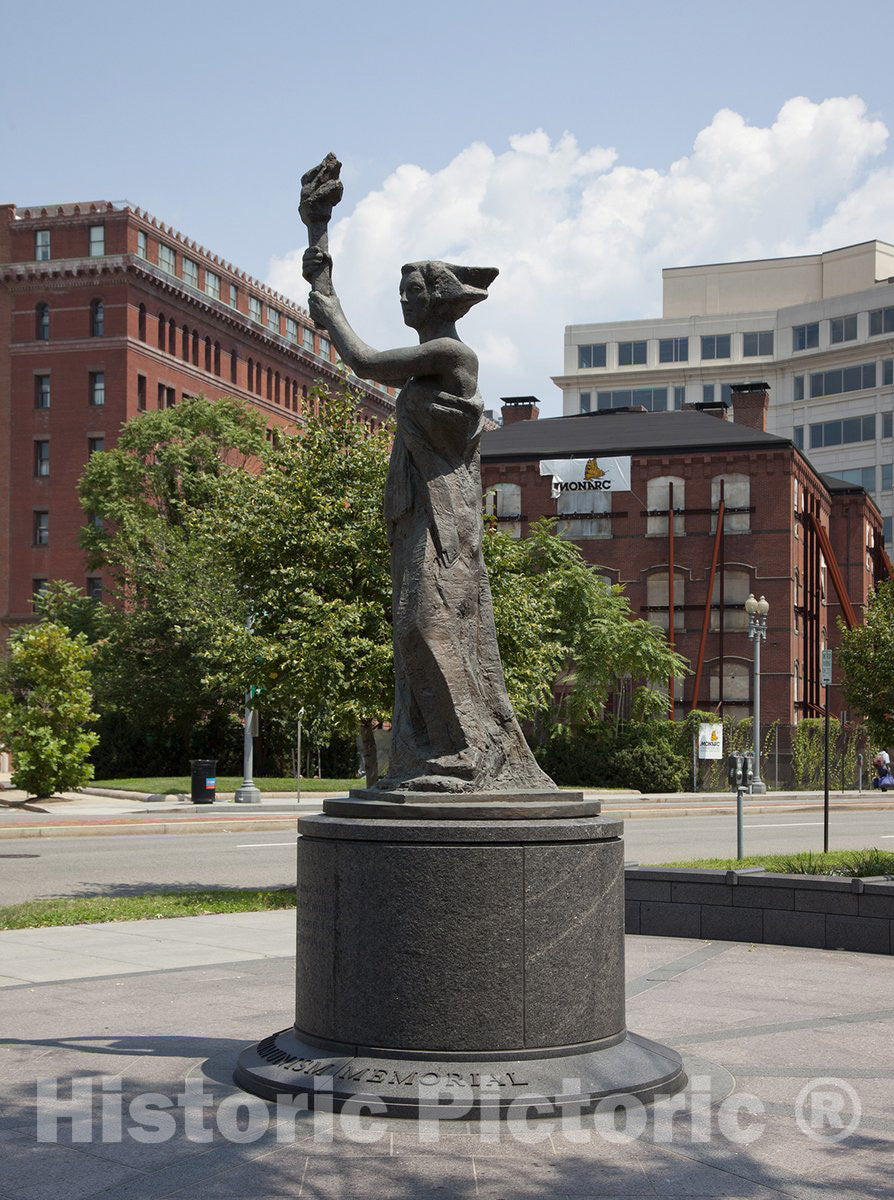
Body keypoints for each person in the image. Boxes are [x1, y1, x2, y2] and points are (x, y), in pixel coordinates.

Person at [303, 248, 554, 795]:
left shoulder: (451, 353)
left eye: (412, 292)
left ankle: (466, 753)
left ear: (439, 298)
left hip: (448, 514)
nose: (403, 300)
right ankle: (430, 752)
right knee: (412, 624)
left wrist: (331, 310)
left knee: (426, 622)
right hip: (416, 509)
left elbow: (366, 362)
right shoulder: (429, 363)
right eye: (401, 292)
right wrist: (321, 251)